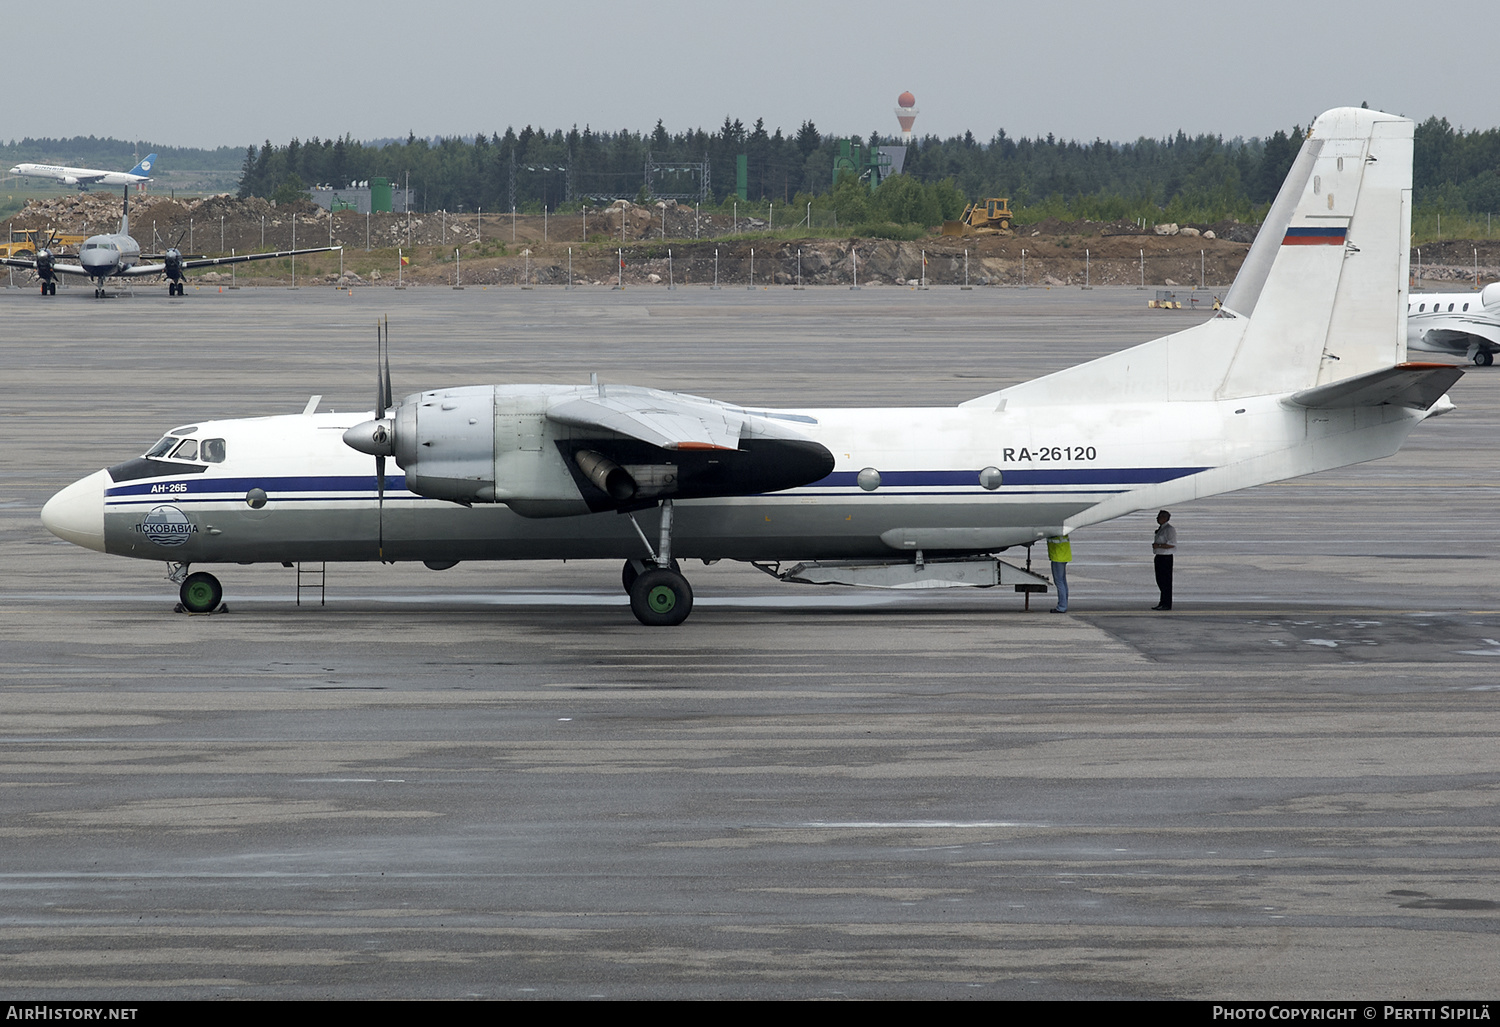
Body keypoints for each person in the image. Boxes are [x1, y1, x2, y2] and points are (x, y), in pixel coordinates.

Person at [1152, 510, 1176, 610]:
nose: (1157, 518)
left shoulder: (1169, 529)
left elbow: (1172, 544)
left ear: (1165, 518)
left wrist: (1159, 545)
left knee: (1166, 582)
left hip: (1166, 557)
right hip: (1159, 556)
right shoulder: (1162, 528)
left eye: (1159, 517)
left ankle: (1166, 603)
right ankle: (1162, 602)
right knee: (1160, 581)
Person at [1047, 534, 1072, 613]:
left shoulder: (1055, 532)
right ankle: (1063, 604)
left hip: (1058, 557)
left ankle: (1062, 606)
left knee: (1059, 582)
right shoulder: (1064, 532)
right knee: (1063, 581)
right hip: (1064, 556)